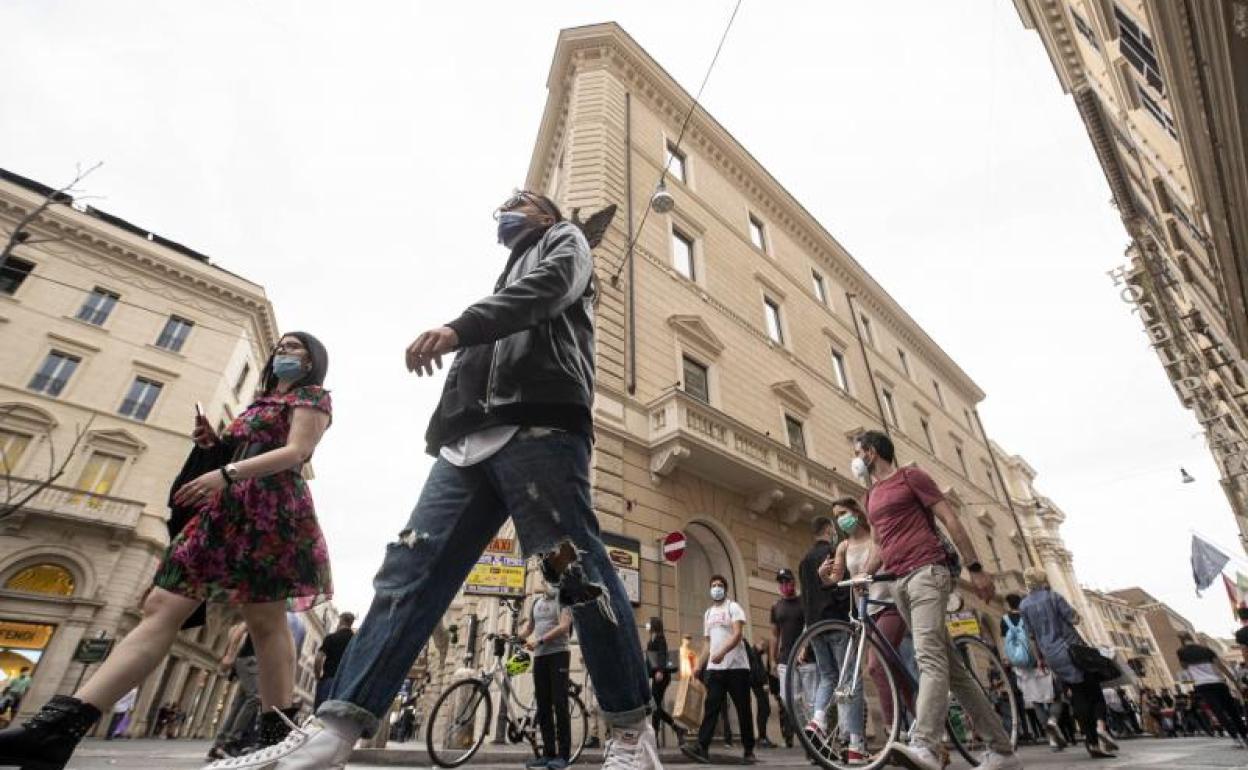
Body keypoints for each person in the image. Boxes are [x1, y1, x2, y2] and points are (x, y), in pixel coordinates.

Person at [271, 190, 660, 770]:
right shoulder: (502, 279)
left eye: (516, 202)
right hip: (464, 446)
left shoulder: (565, 241)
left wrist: (458, 329)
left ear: (546, 214)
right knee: (408, 571)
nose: (503, 212)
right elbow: (489, 346)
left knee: (572, 570)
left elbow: (549, 290)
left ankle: (631, 733)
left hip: (536, 430)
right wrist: (445, 419)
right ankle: (337, 726)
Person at [0, 332, 335, 770]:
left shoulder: (312, 396)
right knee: (160, 606)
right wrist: (214, 445)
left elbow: (297, 451)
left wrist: (227, 472)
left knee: (265, 619)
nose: (283, 353)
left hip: (269, 511)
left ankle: (276, 742)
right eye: (281, 347)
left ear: (311, 362)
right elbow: (244, 447)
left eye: (295, 348)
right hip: (225, 508)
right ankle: (57, 730)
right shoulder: (261, 400)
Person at [851, 430, 1021, 770]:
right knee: (954, 672)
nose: (855, 458)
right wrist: (862, 576)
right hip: (899, 582)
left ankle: (925, 744)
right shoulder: (870, 496)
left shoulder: (910, 477)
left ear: (871, 452)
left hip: (928, 571)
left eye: (858, 452)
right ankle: (1002, 750)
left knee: (927, 656)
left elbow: (949, 518)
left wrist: (975, 567)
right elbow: (880, 546)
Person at [822, 497, 908, 749]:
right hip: (865, 610)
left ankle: (893, 732)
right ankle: (916, 724)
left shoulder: (876, 535)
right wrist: (823, 575)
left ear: (856, 512)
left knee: (876, 667)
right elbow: (835, 578)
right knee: (893, 671)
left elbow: (881, 556)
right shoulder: (843, 546)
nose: (840, 519)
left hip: (889, 605)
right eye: (836, 516)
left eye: (843, 513)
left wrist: (866, 573)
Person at [1017, 566, 1115, 758]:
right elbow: (1074, 618)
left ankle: (1092, 743)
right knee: (1093, 690)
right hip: (1072, 649)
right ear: (1043, 579)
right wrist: (1075, 614)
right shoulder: (1053, 596)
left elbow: (1031, 636)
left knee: (1077, 694)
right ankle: (1101, 727)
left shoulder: (1023, 606)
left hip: (1051, 655)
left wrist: (1040, 659)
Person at [798, 514, 866, 763]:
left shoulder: (804, 560)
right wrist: (854, 618)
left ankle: (817, 720)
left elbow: (805, 597)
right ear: (829, 530)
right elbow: (841, 587)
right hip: (838, 622)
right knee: (850, 680)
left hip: (815, 626)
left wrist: (808, 630)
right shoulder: (836, 551)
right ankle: (853, 743)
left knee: (828, 676)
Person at [683, 574, 755, 764]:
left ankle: (749, 750)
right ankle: (702, 747)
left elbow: (738, 634)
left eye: (720, 585)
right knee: (711, 707)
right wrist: (699, 665)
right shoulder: (708, 613)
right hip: (716, 669)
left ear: (725, 588)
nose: (717, 588)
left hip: (737, 668)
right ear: (710, 589)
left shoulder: (733, 607)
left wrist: (723, 652)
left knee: (743, 709)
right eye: (714, 585)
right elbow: (707, 643)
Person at [520, 580, 575, 770]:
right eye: (547, 580)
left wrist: (540, 641)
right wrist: (515, 636)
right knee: (543, 705)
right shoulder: (536, 603)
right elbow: (529, 628)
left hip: (559, 655)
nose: (550, 583)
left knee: (559, 704)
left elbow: (564, 626)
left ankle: (564, 755)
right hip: (540, 657)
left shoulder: (564, 599)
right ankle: (548, 753)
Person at [1176, 631, 1248, 747]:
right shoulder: (1206, 650)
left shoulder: (1181, 652)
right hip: (1218, 682)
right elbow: (1221, 666)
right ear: (1192, 638)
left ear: (1181, 640)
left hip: (1203, 685)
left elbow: (1184, 667)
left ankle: (1236, 738)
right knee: (1232, 710)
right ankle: (1244, 735)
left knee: (1218, 711)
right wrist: (1235, 682)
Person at [207, 623, 262, 759]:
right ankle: (230, 742)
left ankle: (219, 745)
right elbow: (240, 628)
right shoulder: (266, 606)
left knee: (239, 703)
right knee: (255, 697)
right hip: (250, 660)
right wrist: (230, 655)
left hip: (254, 663)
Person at [768, 568, 807, 750]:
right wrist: (773, 660)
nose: (784, 585)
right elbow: (775, 635)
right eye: (781, 582)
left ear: (793, 582)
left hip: (804, 658)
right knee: (786, 697)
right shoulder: (776, 607)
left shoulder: (803, 602)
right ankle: (802, 729)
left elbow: (809, 627)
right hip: (784, 658)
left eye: (787, 581)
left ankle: (809, 733)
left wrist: (806, 649)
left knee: (803, 698)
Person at [645, 617, 684, 743]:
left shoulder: (660, 638)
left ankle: (662, 733)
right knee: (655, 706)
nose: (647, 625)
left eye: (649, 623)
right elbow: (650, 658)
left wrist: (660, 671)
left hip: (662, 677)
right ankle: (670, 730)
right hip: (657, 676)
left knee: (654, 705)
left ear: (654, 625)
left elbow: (662, 654)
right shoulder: (652, 638)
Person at [315, 613, 356, 709]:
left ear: (341, 620)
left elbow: (318, 658)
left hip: (328, 680)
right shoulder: (355, 642)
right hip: (344, 686)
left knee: (319, 715)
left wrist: (318, 676)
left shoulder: (331, 638)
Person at [745, 642, 774, 748]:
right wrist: (764, 683)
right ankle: (762, 737)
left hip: (758, 684)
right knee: (764, 709)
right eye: (766, 648)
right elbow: (757, 670)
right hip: (759, 684)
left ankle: (762, 736)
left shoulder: (756, 654)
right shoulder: (754, 654)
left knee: (764, 709)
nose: (766, 651)